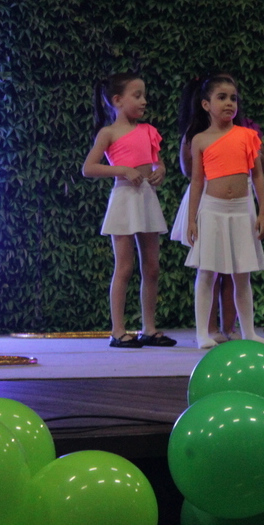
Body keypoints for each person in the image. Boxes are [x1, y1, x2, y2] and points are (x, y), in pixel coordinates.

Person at [82, 73, 176, 348]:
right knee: (124, 267)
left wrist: (160, 170)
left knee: (152, 267)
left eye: (144, 95)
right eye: (137, 95)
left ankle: (149, 328)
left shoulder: (148, 131)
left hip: (146, 197)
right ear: (117, 100)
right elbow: (89, 168)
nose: (144, 101)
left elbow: (156, 161)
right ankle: (118, 330)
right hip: (124, 198)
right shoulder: (108, 133)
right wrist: (122, 169)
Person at [174, 74, 264, 342]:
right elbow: (197, 181)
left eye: (233, 98)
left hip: (241, 210)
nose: (229, 103)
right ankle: (202, 334)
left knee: (242, 275)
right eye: (222, 97)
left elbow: (258, 176)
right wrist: (191, 219)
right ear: (206, 104)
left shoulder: (248, 136)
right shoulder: (200, 140)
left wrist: (263, 212)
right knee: (207, 273)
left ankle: (249, 332)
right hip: (211, 209)